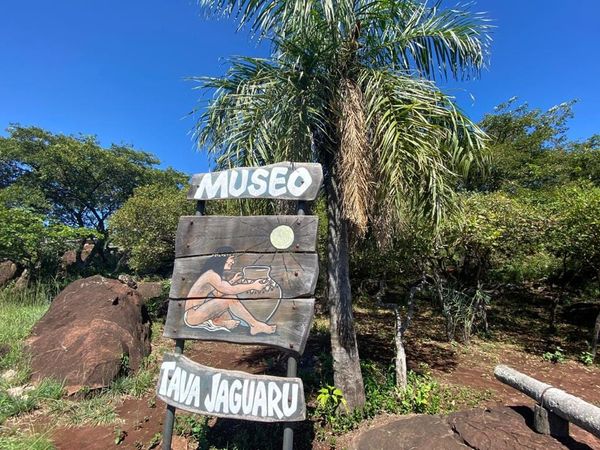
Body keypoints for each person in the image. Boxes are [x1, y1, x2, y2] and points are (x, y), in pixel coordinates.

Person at [184, 247, 276, 335]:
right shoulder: (211, 275)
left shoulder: (214, 275)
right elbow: (230, 290)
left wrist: (232, 281)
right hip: (193, 315)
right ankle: (255, 325)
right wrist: (253, 285)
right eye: (231, 258)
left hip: (197, 313)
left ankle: (220, 322)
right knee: (230, 298)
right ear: (223, 259)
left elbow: (218, 294)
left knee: (227, 299)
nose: (233, 262)